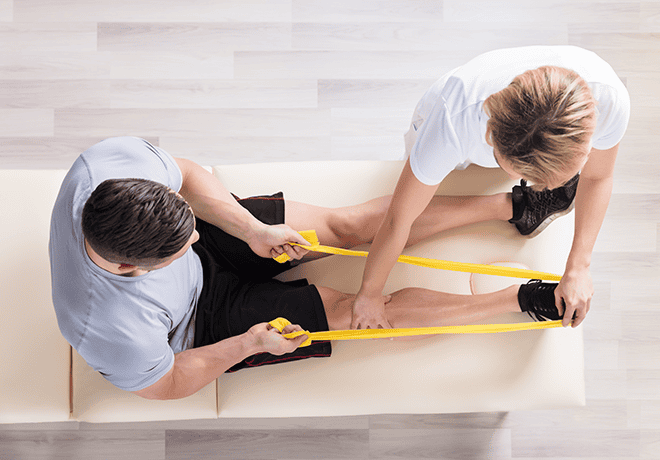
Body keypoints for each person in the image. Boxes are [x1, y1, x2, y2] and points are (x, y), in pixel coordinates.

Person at [50, 136, 564, 401]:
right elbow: (165, 383)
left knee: (346, 226)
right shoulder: (106, 328)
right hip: (200, 322)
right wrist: (249, 345)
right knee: (358, 313)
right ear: (128, 268)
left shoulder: (111, 166)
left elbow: (183, 174)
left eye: (191, 231)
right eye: (182, 247)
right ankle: (521, 301)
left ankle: (515, 206)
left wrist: (250, 229)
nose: (197, 242)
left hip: (219, 238)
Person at [351, 45, 630, 331]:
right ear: (490, 137)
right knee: (399, 209)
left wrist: (579, 267)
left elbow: (598, 177)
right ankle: (520, 205)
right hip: (448, 129)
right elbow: (399, 218)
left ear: (586, 147)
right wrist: (369, 293)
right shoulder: (450, 126)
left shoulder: (608, 100)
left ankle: (521, 205)